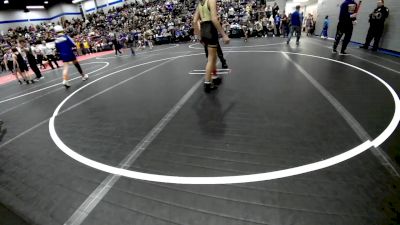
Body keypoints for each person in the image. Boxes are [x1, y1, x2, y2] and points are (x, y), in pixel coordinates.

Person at [193, 0, 230, 93]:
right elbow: (214, 19)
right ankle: (207, 83)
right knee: (211, 58)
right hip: (210, 29)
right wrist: (224, 34)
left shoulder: (200, 3)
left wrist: (198, 36)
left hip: (204, 30)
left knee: (213, 57)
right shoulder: (211, 1)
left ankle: (215, 77)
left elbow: (194, 21)